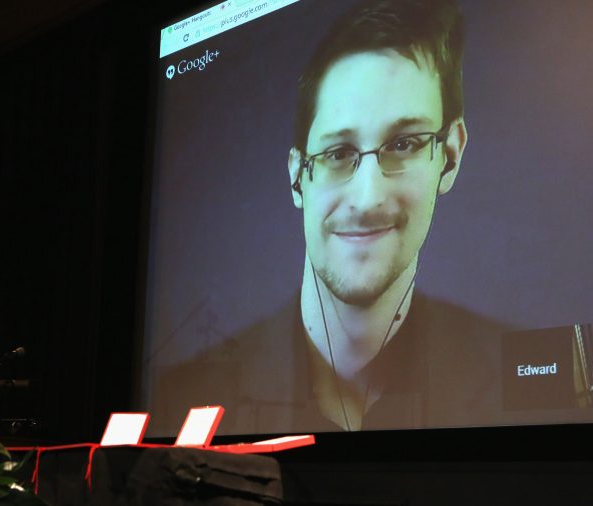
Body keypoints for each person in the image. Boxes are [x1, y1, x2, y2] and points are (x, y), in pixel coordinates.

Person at [151, 0, 505, 435]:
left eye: (404, 144)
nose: (368, 198)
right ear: (298, 176)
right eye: (338, 153)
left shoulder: (511, 380)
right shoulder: (182, 396)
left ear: (449, 157)